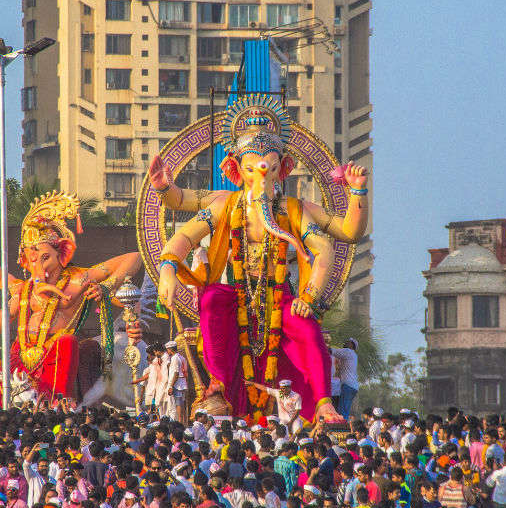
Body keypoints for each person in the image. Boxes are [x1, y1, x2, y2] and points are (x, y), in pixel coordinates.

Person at [149, 95, 369, 423]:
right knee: (210, 299)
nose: (260, 177)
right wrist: (168, 267)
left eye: (269, 167)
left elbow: (344, 236)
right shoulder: (225, 204)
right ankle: (219, 386)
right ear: (236, 170)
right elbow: (183, 226)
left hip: (282, 298)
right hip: (236, 295)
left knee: (307, 329)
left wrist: (358, 193)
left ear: (284, 168)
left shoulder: (293, 209)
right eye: (251, 169)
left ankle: (323, 402)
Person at [0, 191, 142, 408]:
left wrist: (106, 287)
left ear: (63, 254)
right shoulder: (23, 291)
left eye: (45, 258)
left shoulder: (78, 280)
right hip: (21, 358)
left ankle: (59, 406)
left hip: (56, 356)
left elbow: (134, 257)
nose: (39, 267)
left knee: (66, 343)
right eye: (32, 260)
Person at [330, 340, 359, 422]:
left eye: (348, 342)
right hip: (353, 386)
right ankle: (343, 425)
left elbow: (330, 350)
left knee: (342, 410)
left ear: (352, 346)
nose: (345, 343)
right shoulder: (353, 355)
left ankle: (341, 427)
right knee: (345, 409)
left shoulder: (348, 351)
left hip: (348, 385)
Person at [163, 341, 188, 423]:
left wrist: (171, 386)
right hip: (182, 383)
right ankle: (184, 422)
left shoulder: (175, 358)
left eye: (168, 350)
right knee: (181, 403)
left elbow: (176, 373)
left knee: (178, 404)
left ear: (170, 349)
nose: (167, 352)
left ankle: (180, 422)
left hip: (177, 384)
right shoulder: (181, 357)